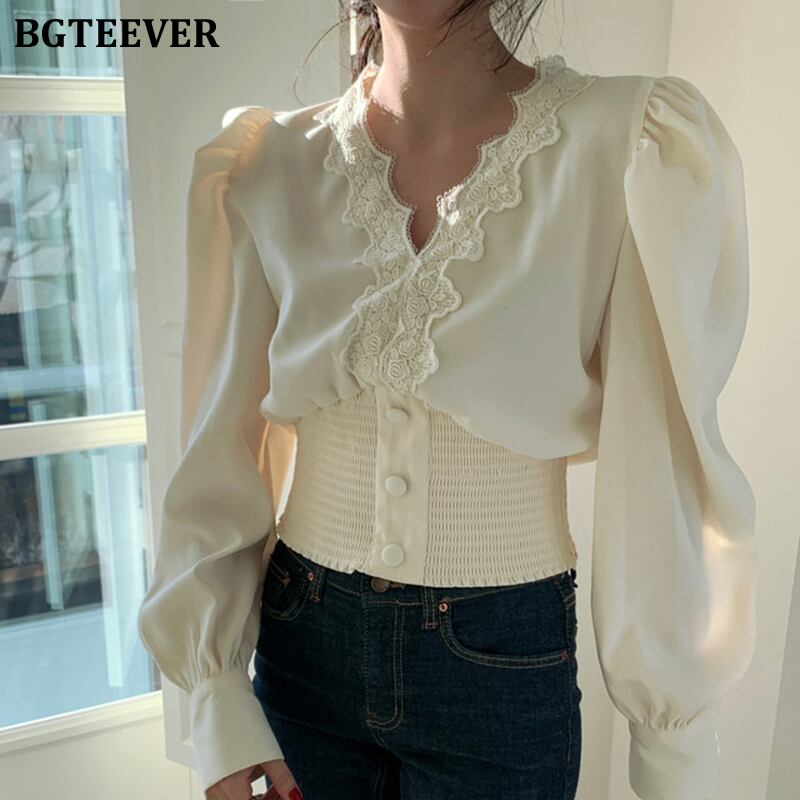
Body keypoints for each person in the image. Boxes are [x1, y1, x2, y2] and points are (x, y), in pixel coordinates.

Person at [136, 1, 758, 799]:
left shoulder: (627, 141)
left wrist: (673, 744)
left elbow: (662, 452)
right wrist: (215, 692)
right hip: (300, 651)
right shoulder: (272, 159)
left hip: (500, 665)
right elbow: (223, 438)